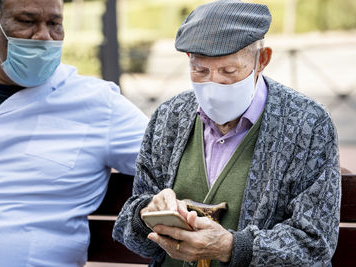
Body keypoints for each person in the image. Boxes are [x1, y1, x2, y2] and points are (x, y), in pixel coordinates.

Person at [113, 0, 341, 266]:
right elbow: (133, 231)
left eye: (229, 71)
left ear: (262, 59)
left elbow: (314, 245)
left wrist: (231, 248)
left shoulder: (308, 124)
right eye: (200, 71)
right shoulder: (169, 116)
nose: (213, 84)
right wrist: (145, 214)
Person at [0, 0, 148, 266]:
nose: (44, 36)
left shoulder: (97, 103)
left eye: (54, 24)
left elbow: (172, 158)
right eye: (27, 21)